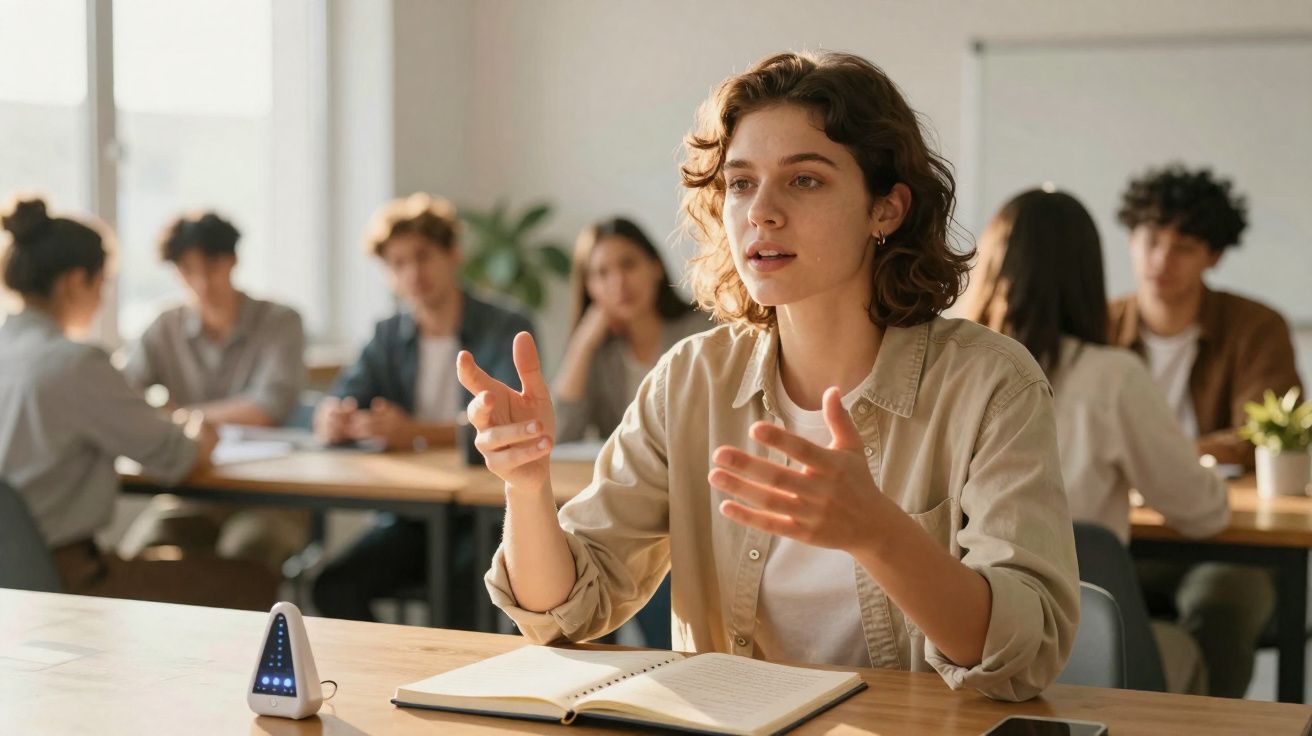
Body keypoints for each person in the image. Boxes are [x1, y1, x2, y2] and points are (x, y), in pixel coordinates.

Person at [459, 52, 1079, 701]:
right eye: (740, 183)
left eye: (804, 180)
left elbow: (1022, 655)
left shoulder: (991, 384)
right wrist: (527, 486)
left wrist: (878, 533)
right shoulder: (690, 379)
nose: (761, 211)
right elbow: (565, 612)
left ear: (886, 209)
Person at [965, 187, 1229, 694]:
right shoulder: (1111, 376)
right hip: (1082, 658)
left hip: (955, 654)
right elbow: (1204, 512)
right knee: (1186, 647)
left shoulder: (944, 367)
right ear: (1089, 274)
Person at [0, 196, 276, 610]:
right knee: (253, 582)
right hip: (66, 580)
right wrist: (197, 432)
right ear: (77, 281)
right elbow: (178, 457)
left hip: (13, 581)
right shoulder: (76, 363)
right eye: (102, 284)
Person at [1109, 164, 1302, 698]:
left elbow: (1261, 432)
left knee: (1223, 603)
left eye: (1184, 247)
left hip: (1228, 538)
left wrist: (1155, 457)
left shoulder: (1255, 326)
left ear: (1214, 255)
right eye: (1150, 240)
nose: (1160, 260)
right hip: (1129, 536)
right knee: (1073, 592)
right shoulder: (1097, 327)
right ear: (1131, 238)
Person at [311, 193, 533, 625]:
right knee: (333, 585)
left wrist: (412, 431)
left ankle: (455, 691)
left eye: (423, 256)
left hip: (487, 515)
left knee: (464, 589)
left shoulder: (504, 325)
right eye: (398, 264)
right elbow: (343, 397)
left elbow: (511, 419)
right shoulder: (388, 334)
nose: (413, 273)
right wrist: (331, 418)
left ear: (452, 255)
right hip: (413, 515)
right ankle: (385, 678)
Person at [117, 211, 309, 574]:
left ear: (233, 260)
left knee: (243, 556)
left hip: (271, 495)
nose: (202, 281)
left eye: (212, 265)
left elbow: (269, 407)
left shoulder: (280, 321)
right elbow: (123, 397)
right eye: (188, 270)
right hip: (191, 492)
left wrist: (181, 416)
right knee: (141, 556)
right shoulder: (164, 326)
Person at [554, 216, 708, 442]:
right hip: (626, 477)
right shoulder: (597, 351)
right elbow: (560, 434)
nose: (619, 282)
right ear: (589, 287)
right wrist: (581, 346)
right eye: (602, 273)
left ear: (655, 267)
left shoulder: (702, 330)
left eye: (629, 264)